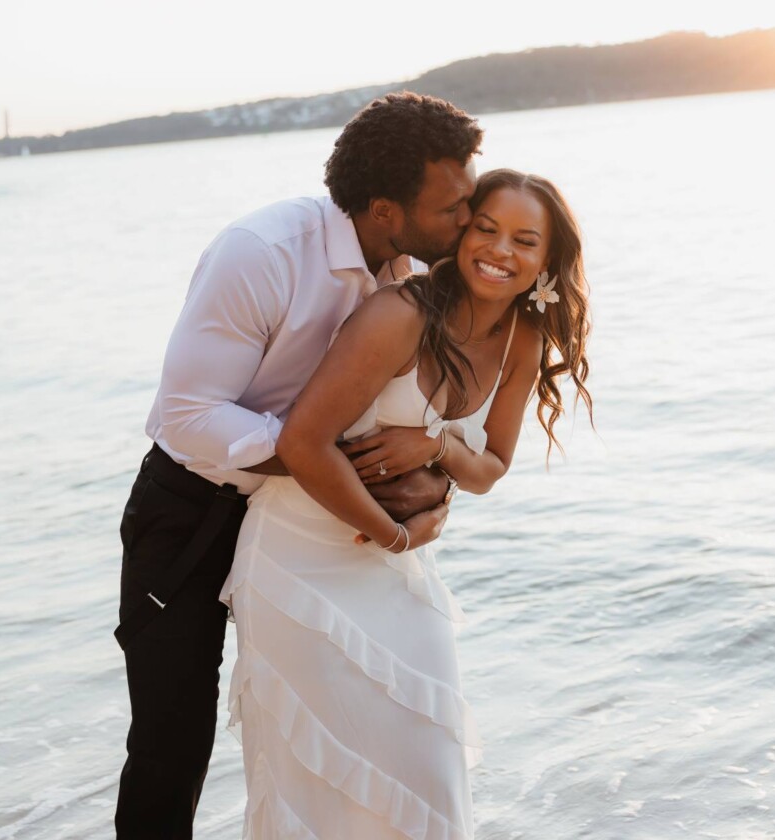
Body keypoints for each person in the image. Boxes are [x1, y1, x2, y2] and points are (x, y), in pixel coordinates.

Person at [114, 92, 483, 839]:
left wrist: (431, 477)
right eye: (452, 207)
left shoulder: (416, 277)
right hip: (188, 510)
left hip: (301, 528)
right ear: (384, 209)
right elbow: (189, 416)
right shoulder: (263, 252)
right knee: (172, 739)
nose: (467, 221)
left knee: (332, 723)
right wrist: (329, 458)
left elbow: (421, 413)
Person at [222, 168, 593, 839]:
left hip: (398, 573)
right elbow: (304, 443)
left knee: (426, 767)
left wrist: (436, 447)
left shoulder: (523, 340)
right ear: (459, 231)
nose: (498, 250)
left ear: (547, 260)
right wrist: (392, 537)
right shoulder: (399, 314)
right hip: (298, 559)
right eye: (485, 228)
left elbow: (490, 467)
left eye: (523, 240)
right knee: (317, 784)